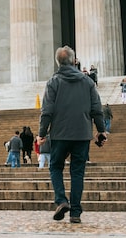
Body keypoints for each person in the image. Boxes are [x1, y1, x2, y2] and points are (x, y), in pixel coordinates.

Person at [38, 46, 107, 224]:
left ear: (57, 62)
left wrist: (41, 133)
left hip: (60, 133)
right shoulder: (88, 82)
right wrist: (100, 130)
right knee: (77, 172)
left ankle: (61, 201)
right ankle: (75, 212)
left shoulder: (53, 82)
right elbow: (97, 109)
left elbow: (47, 111)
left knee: (55, 167)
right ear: (74, 60)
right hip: (82, 134)